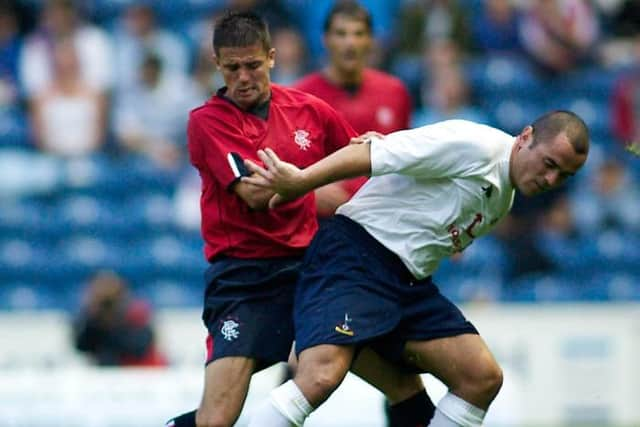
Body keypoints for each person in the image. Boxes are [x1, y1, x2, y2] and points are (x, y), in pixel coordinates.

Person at [166, 10, 432, 427]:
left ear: (271, 57)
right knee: (216, 418)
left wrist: (380, 151)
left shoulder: (309, 109)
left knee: (404, 386)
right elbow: (254, 195)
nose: (243, 78)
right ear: (217, 65)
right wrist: (308, 182)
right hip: (246, 280)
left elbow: (360, 152)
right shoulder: (207, 122)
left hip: (313, 272)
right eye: (232, 68)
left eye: (252, 65)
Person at [243, 110, 589, 427]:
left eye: (564, 175)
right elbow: (369, 154)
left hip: (405, 282)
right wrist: (301, 181)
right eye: (549, 163)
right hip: (356, 257)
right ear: (525, 136)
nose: (550, 178)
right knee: (320, 377)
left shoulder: (504, 196)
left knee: (480, 377)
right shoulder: (476, 146)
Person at [295, 0, 412, 217]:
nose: (350, 43)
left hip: (384, 218)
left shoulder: (395, 92)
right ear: (326, 40)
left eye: (358, 34)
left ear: (370, 41)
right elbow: (290, 166)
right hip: (326, 222)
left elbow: (404, 162)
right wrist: (309, 192)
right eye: (341, 34)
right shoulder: (300, 98)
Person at [73, 270, 167, 367]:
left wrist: (112, 323)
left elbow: (139, 347)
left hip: (144, 372)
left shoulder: (137, 313)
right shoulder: (90, 318)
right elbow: (81, 346)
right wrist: (95, 318)